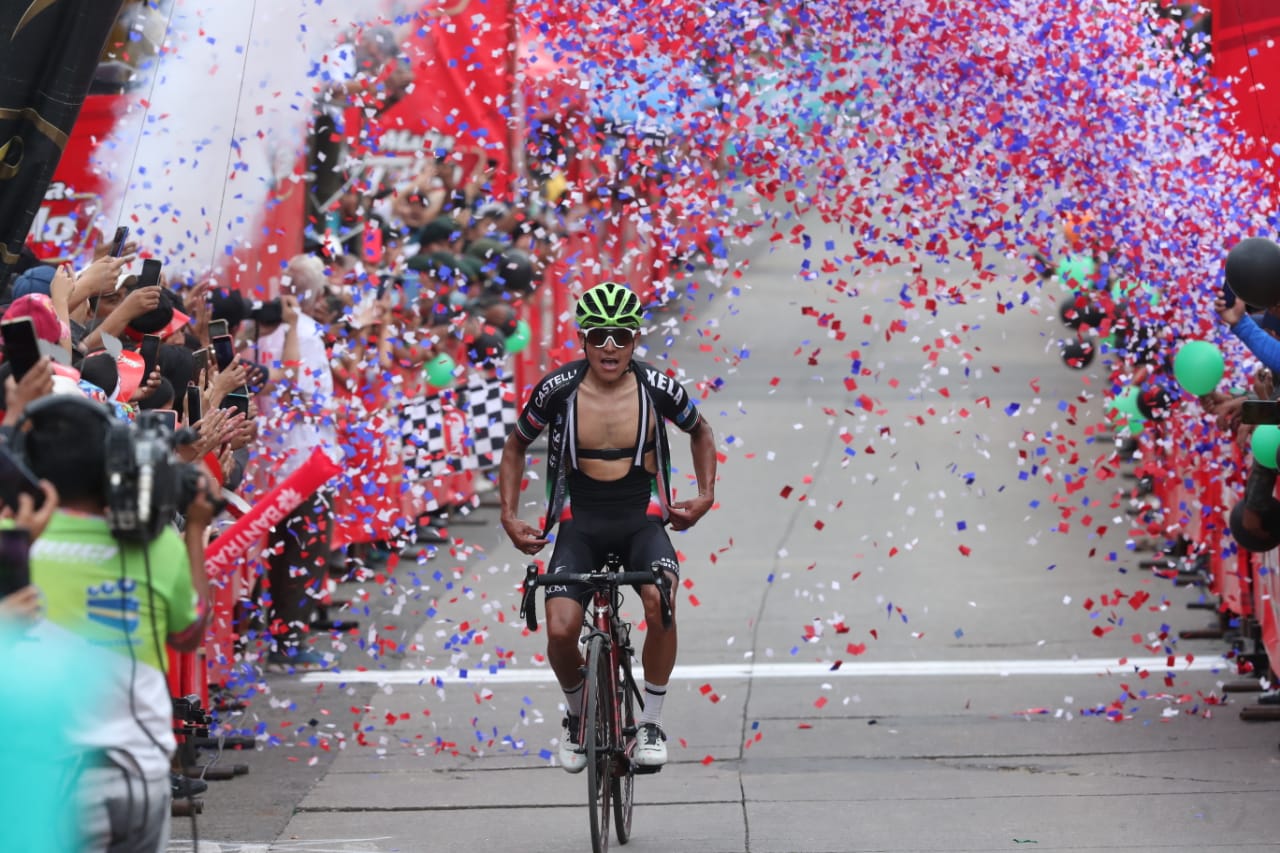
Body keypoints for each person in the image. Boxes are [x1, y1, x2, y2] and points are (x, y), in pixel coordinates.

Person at [498, 281, 717, 771]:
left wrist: (705, 495)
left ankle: (651, 722)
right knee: (560, 630)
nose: (610, 347)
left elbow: (700, 431)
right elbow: (515, 446)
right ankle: (578, 716)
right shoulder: (558, 389)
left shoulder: (657, 387)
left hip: (642, 518)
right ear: (583, 339)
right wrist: (508, 516)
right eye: (599, 336)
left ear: (636, 339)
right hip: (580, 521)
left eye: (621, 336)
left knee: (661, 603)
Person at [15, 394, 217, 852]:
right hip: (137, 778)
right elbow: (189, 633)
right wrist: (194, 530)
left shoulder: (14, 543)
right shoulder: (156, 545)